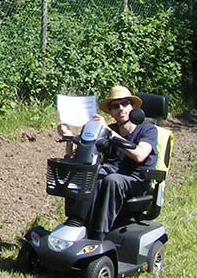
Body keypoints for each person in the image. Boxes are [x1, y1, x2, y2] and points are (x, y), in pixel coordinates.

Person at [55, 85, 157, 240]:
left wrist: (110, 134)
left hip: (136, 180)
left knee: (111, 181)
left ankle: (99, 235)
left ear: (133, 107)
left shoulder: (147, 130)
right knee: (87, 175)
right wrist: (69, 138)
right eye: (115, 106)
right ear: (111, 112)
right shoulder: (109, 129)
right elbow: (79, 157)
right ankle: (76, 224)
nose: (121, 109)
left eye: (125, 104)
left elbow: (140, 155)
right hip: (111, 174)